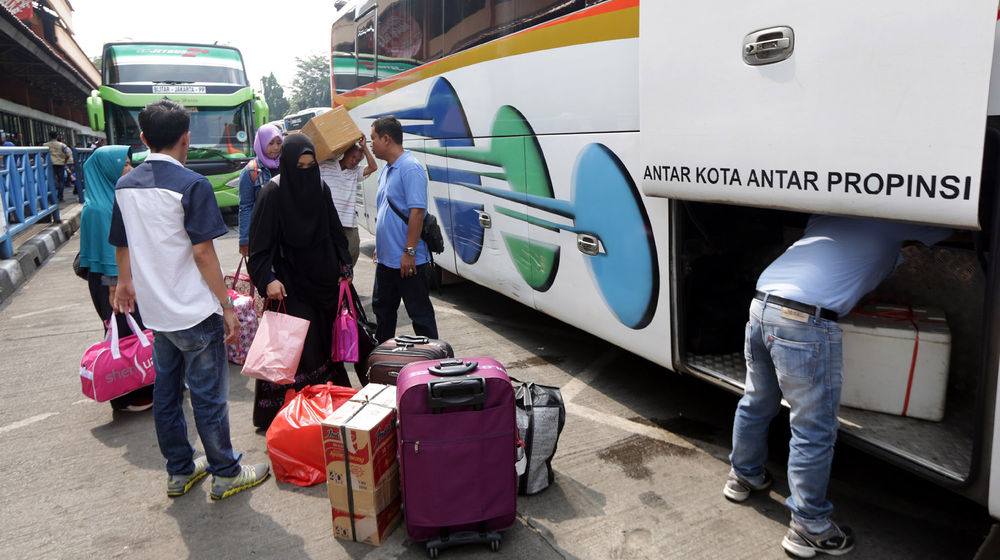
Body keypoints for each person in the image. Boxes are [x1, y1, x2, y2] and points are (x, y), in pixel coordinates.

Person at [724, 214, 950, 558]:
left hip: (761, 304)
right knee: (812, 428)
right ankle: (809, 526)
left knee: (756, 401)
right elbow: (954, 218)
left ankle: (743, 476)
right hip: (803, 321)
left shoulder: (826, 214)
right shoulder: (896, 216)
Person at [110, 99, 269, 500]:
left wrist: (124, 282)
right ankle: (225, 472)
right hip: (196, 313)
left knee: (167, 395)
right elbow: (203, 253)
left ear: (144, 138)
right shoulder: (192, 185)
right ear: (187, 138)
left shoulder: (125, 185)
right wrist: (228, 305)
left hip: (157, 313)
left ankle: (180, 471)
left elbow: (122, 241)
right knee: (208, 397)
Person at [247, 132, 354, 429]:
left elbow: (335, 230)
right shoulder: (273, 194)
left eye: (311, 165)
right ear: (288, 166)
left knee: (324, 348)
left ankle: (325, 408)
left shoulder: (320, 188)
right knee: (301, 350)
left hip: (325, 284)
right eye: (300, 167)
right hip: (290, 286)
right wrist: (267, 278)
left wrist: (345, 266)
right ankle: (294, 414)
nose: (306, 172)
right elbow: (259, 248)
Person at [79, 145, 154, 412]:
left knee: (129, 331)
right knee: (126, 334)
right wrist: (116, 286)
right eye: (124, 165)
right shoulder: (100, 209)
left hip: (116, 278)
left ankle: (137, 390)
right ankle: (132, 394)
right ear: (108, 170)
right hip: (111, 282)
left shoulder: (105, 200)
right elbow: (106, 251)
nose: (130, 169)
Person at [369, 115, 438, 343]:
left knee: (420, 316)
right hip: (387, 261)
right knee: (383, 314)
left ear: (386, 139)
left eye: (373, 139)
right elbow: (384, 210)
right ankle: (382, 363)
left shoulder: (411, 168)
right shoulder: (387, 170)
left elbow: (417, 212)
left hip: (409, 262)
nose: (371, 144)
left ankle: (433, 363)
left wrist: (409, 251)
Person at [319, 142, 377, 265]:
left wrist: (365, 147)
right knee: (329, 256)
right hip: (329, 221)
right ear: (345, 153)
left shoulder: (356, 172)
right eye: (353, 157)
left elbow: (373, 167)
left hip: (348, 223)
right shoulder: (325, 166)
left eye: (358, 160)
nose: (354, 161)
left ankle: (346, 277)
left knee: (352, 252)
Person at [238, 124, 282, 257]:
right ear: (261, 143)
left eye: (279, 142)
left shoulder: (287, 165)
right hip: (263, 234)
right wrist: (244, 240)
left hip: (286, 233)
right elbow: (245, 207)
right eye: (271, 143)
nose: (276, 147)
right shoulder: (250, 171)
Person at [43, 131, 73, 201]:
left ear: (49, 136)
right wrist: (65, 161)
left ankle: (52, 197)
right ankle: (60, 196)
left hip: (50, 164)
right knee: (61, 180)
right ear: (57, 137)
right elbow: (68, 154)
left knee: (51, 180)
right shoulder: (62, 145)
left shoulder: (45, 145)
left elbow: (42, 154)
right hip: (60, 163)